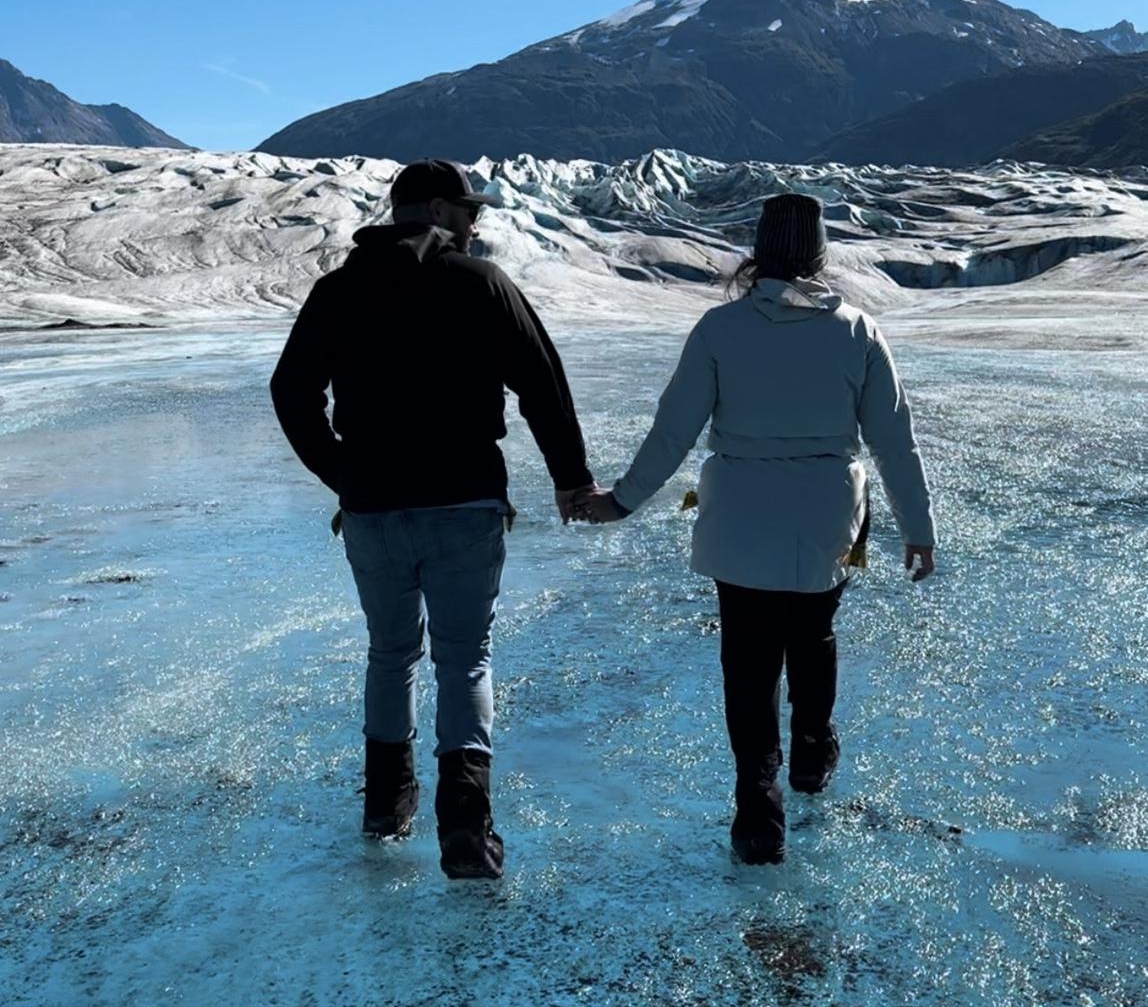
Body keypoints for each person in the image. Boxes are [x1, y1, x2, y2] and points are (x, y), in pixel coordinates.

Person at [581, 193, 936, 866]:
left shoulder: (720, 329)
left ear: (758, 254)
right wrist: (918, 528)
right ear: (819, 257)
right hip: (828, 511)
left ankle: (756, 808)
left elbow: (672, 433)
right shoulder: (856, 330)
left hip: (739, 512)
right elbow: (894, 439)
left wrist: (622, 502)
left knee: (748, 658)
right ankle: (810, 750)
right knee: (814, 631)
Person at [270, 159, 597, 880]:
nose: (476, 222)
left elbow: (291, 391)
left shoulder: (339, 289)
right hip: (465, 500)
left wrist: (342, 472)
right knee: (464, 657)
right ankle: (467, 830)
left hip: (374, 507)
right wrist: (571, 479)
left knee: (391, 654)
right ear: (440, 212)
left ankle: (387, 806)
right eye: (468, 210)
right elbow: (543, 382)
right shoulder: (481, 284)